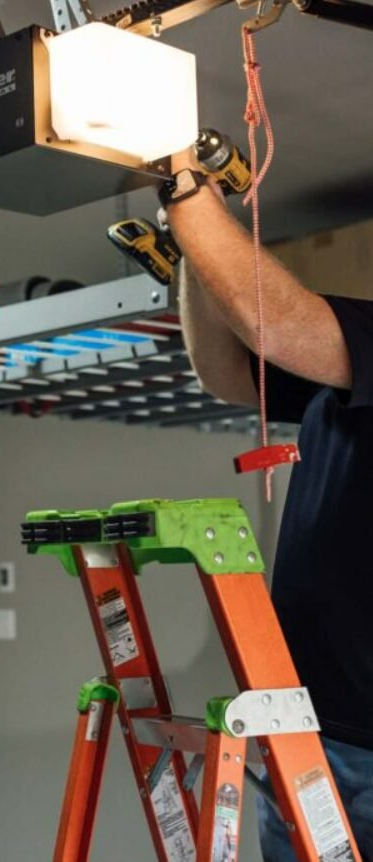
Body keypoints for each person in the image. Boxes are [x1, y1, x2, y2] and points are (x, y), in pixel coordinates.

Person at [165, 147, 373, 862]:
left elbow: (277, 327)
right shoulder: (344, 376)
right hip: (309, 723)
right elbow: (228, 372)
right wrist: (192, 247)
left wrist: (187, 190)